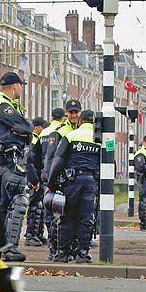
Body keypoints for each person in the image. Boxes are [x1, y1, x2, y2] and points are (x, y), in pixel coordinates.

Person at [0, 72, 34, 262]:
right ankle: (10, 247)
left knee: (5, 205)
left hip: (11, 159)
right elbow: (26, 128)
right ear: (15, 86)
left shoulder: (11, 106)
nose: (21, 89)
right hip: (8, 160)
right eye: (21, 86)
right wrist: (24, 131)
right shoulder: (2, 106)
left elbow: (27, 131)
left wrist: (26, 131)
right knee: (19, 199)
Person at [45, 110, 100, 263]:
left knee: (67, 217)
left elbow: (58, 160)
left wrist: (51, 183)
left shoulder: (71, 136)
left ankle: (63, 253)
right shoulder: (99, 139)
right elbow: (109, 164)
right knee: (86, 218)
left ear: (81, 121)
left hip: (71, 182)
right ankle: (82, 253)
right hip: (91, 183)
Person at [34, 108, 68, 256]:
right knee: (62, 212)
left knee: (47, 210)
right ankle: (60, 246)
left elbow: (34, 157)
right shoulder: (64, 132)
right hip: (62, 176)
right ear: (64, 117)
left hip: (45, 175)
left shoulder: (44, 133)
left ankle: (51, 245)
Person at [24, 116, 49, 247]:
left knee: (40, 207)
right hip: (34, 177)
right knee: (34, 207)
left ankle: (38, 234)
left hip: (38, 176)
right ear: (36, 128)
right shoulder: (32, 140)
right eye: (42, 127)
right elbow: (30, 162)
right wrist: (34, 180)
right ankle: (30, 235)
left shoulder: (37, 139)